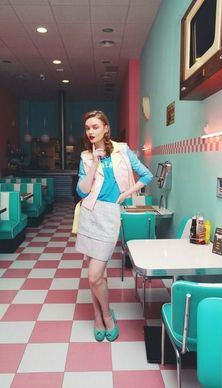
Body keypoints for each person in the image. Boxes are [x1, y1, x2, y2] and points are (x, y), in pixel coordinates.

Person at [75, 110, 153, 342]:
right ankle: (98, 316)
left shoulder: (123, 150)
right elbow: (81, 190)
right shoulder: (85, 156)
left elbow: (146, 176)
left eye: (95, 127)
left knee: (93, 275)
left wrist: (125, 195)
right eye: (88, 128)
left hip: (109, 215)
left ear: (106, 128)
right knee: (96, 276)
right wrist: (93, 163)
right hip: (89, 214)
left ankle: (107, 315)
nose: (91, 132)